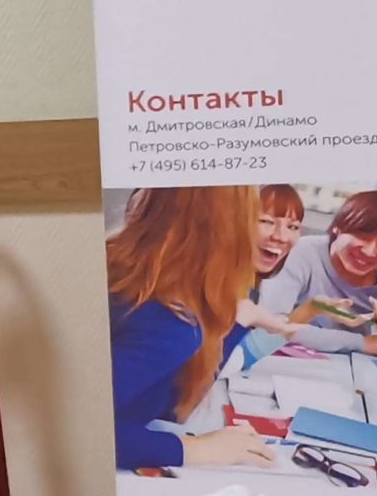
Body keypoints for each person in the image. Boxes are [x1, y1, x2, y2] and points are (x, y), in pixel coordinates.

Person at [108, 187, 276, 470]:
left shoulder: (121, 267)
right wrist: (194, 450)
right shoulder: (167, 320)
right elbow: (72, 429)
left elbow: (169, 400)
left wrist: (238, 322)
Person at [255, 190, 377, 356]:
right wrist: (362, 343)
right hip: (291, 355)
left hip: (353, 360)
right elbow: (270, 326)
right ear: (338, 228)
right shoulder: (298, 254)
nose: (369, 252)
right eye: (363, 236)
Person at [235, 183, 306, 336]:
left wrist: (314, 307)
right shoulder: (206, 285)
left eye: (292, 227)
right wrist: (247, 314)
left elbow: (256, 343)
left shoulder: (249, 283)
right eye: (266, 221)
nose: (281, 237)